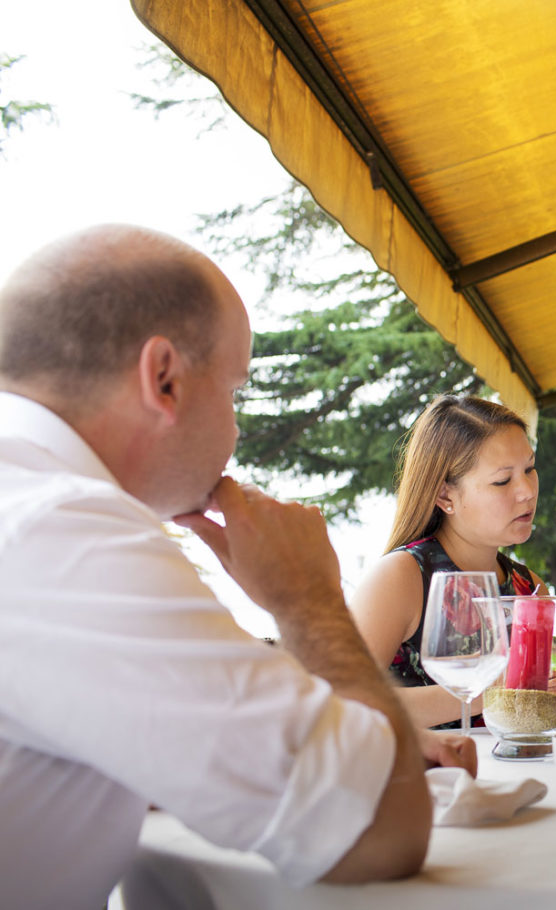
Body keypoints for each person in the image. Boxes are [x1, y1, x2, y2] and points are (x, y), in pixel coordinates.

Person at [0, 225, 476, 909]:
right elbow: (379, 833)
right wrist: (309, 598)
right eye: (234, 393)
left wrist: (358, 747)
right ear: (163, 378)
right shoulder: (64, 532)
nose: (235, 432)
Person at [351, 394, 546, 729]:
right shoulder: (402, 577)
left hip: (510, 778)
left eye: (529, 469)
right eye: (503, 480)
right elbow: (347, 698)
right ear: (445, 496)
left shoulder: (530, 586)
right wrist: (493, 690)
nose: (527, 490)